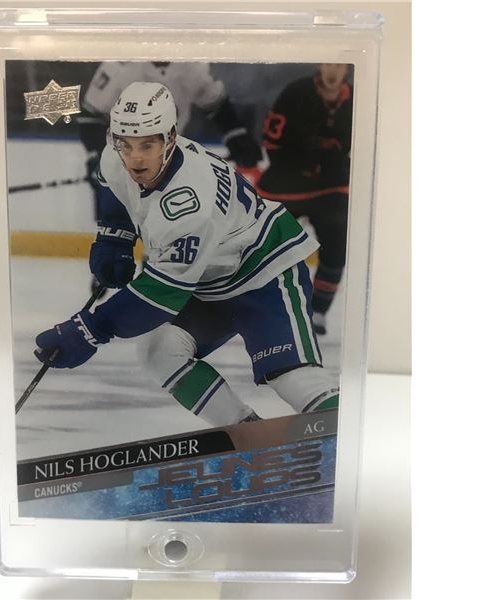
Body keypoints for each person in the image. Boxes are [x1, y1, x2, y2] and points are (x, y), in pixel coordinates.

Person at [34, 82, 339, 427]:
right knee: (160, 351)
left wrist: (90, 329)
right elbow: (113, 188)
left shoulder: (189, 203)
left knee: (291, 375)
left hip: (264, 272)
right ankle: (244, 431)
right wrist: (114, 238)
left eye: (147, 145)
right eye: (125, 144)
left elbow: (160, 295)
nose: (135, 158)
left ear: (170, 138)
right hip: (207, 279)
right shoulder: (114, 156)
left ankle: (339, 433)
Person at [78, 62, 262, 295]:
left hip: (168, 162)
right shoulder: (121, 65)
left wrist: (236, 134)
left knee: (162, 232)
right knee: (116, 217)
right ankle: (109, 264)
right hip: (122, 156)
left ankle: (153, 283)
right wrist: (99, 157)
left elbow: (215, 104)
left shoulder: (191, 66)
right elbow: (91, 117)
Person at [256, 64, 353, 335]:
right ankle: (263, 305)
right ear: (320, 65)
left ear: (346, 68)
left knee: (337, 247)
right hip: (286, 183)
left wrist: (331, 162)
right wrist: (303, 160)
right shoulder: (295, 93)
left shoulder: (356, 99)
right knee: (264, 248)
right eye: (329, 63)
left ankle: (318, 311)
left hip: (331, 186)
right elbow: (271, 141)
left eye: (338, 65)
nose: (333, 71)